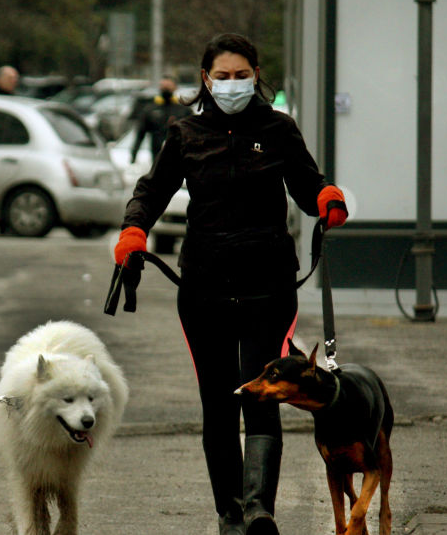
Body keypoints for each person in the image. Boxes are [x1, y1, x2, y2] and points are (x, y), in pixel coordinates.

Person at [113, 33, 348, 535]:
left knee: (262, 393)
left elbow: (308, 185)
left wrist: (327, 195)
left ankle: (261, 509)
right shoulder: (184, 134)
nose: (232, 84)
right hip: (203, 287)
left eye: (242, 75)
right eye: (222, 76)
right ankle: (231, 514)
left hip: (268, 284)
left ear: (256, 76)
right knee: (219, 403)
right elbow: (152, 190)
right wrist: (135, 229)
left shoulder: (279, 129)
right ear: (206, 79)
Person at [128, 76, 193, 165]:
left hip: (179, 159)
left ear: (175, 87)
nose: (165, 89)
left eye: (168, 87)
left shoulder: (183, 110)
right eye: (163, 86)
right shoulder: (150, 109)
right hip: (157, 159)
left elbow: (193, 134)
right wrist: (133, 156)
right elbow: (140, 134)